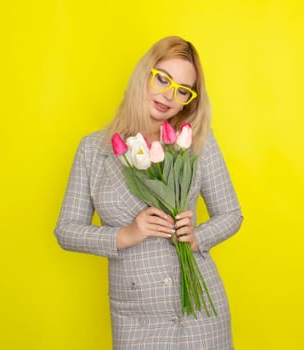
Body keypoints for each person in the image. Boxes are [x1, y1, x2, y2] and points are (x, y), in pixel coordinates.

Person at [54, 36, 243, 349]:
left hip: (199, 312)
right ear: (144, 73)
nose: (169, 95)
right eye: (163, 79)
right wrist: (126, 235)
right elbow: (66, 231)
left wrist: (199, 237)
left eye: (182, 90)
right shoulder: (93, 150)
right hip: (135, 318)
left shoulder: (194, 141)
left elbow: (232, 214)